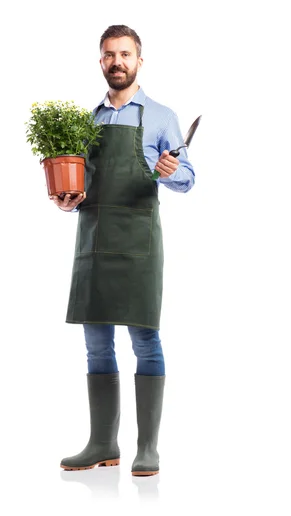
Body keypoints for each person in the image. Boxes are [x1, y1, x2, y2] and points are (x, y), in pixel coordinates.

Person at [50, 24, 195, 476]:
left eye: (126, 54)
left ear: (139, 61)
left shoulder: (161, 116)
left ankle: (147, 447)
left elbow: (188, 178)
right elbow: (81, 183)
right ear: (101, 61)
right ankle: (101, 443)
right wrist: (67, 198)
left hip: (138, 243)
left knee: (144, 340)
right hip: (94, 238)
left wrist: (170, 171)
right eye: (110, 55)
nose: (118, 62)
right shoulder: (87, 120)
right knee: (97, 345)